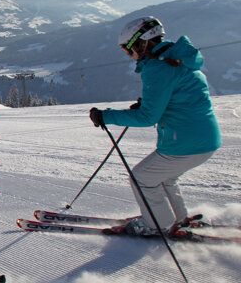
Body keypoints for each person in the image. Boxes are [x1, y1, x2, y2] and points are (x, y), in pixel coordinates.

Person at [89, 17, 222, 236]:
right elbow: (178, 94)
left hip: (184, 142)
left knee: (141, 178)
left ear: (139, 43)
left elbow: (147, 117)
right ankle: (178, 220)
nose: (129, 55)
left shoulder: (158, 66)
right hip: (206, 139)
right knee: (164, 177)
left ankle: (156, 225)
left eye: (127, 50)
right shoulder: (176, 58)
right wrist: (151, 102)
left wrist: (105, 116)